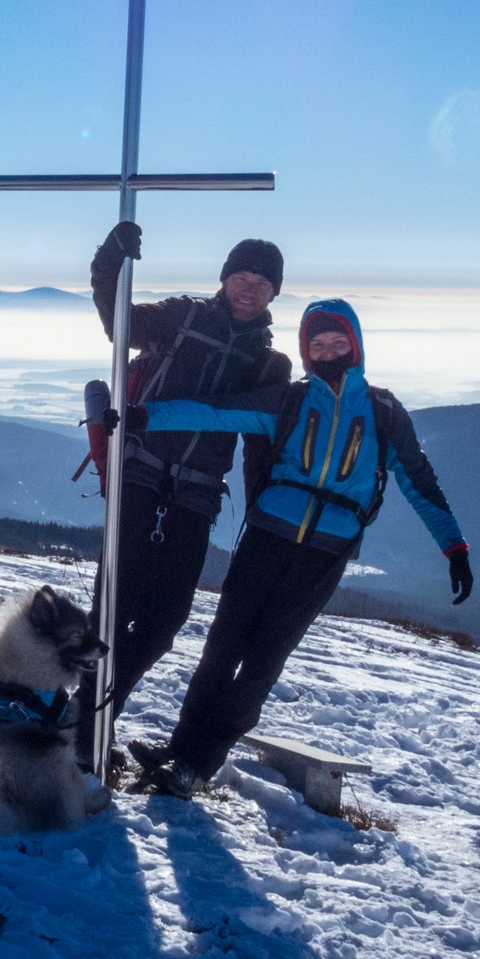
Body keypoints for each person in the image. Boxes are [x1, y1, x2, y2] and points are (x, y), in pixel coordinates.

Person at [113, 298, 473, 799]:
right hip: (266, 538)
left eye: (337, 342)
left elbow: (420, 482)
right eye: (317, 344)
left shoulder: (384, 413)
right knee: (221, 649)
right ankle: (178, 750)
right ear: (306, 352)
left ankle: (199, 763)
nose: (328, 351)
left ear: (356, 344)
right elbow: (215, 413)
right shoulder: (289, 400)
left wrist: (453, 547)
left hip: (325, 553)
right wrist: (145, 415)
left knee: (263, 660)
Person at [79, 220, 293, 772]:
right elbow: (118, 322)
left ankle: (90, 712)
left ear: (274, 293)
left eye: (260, 283)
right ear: (224, 279)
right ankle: (84, 734)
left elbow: (259, 444)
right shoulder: (183, 316)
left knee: (166, 618)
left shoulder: (273, 365)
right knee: (113, 607)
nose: (248, 289)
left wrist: (263, 512)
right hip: (140, 470)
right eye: (241, 276)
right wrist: (110, 263)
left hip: (198, 494)